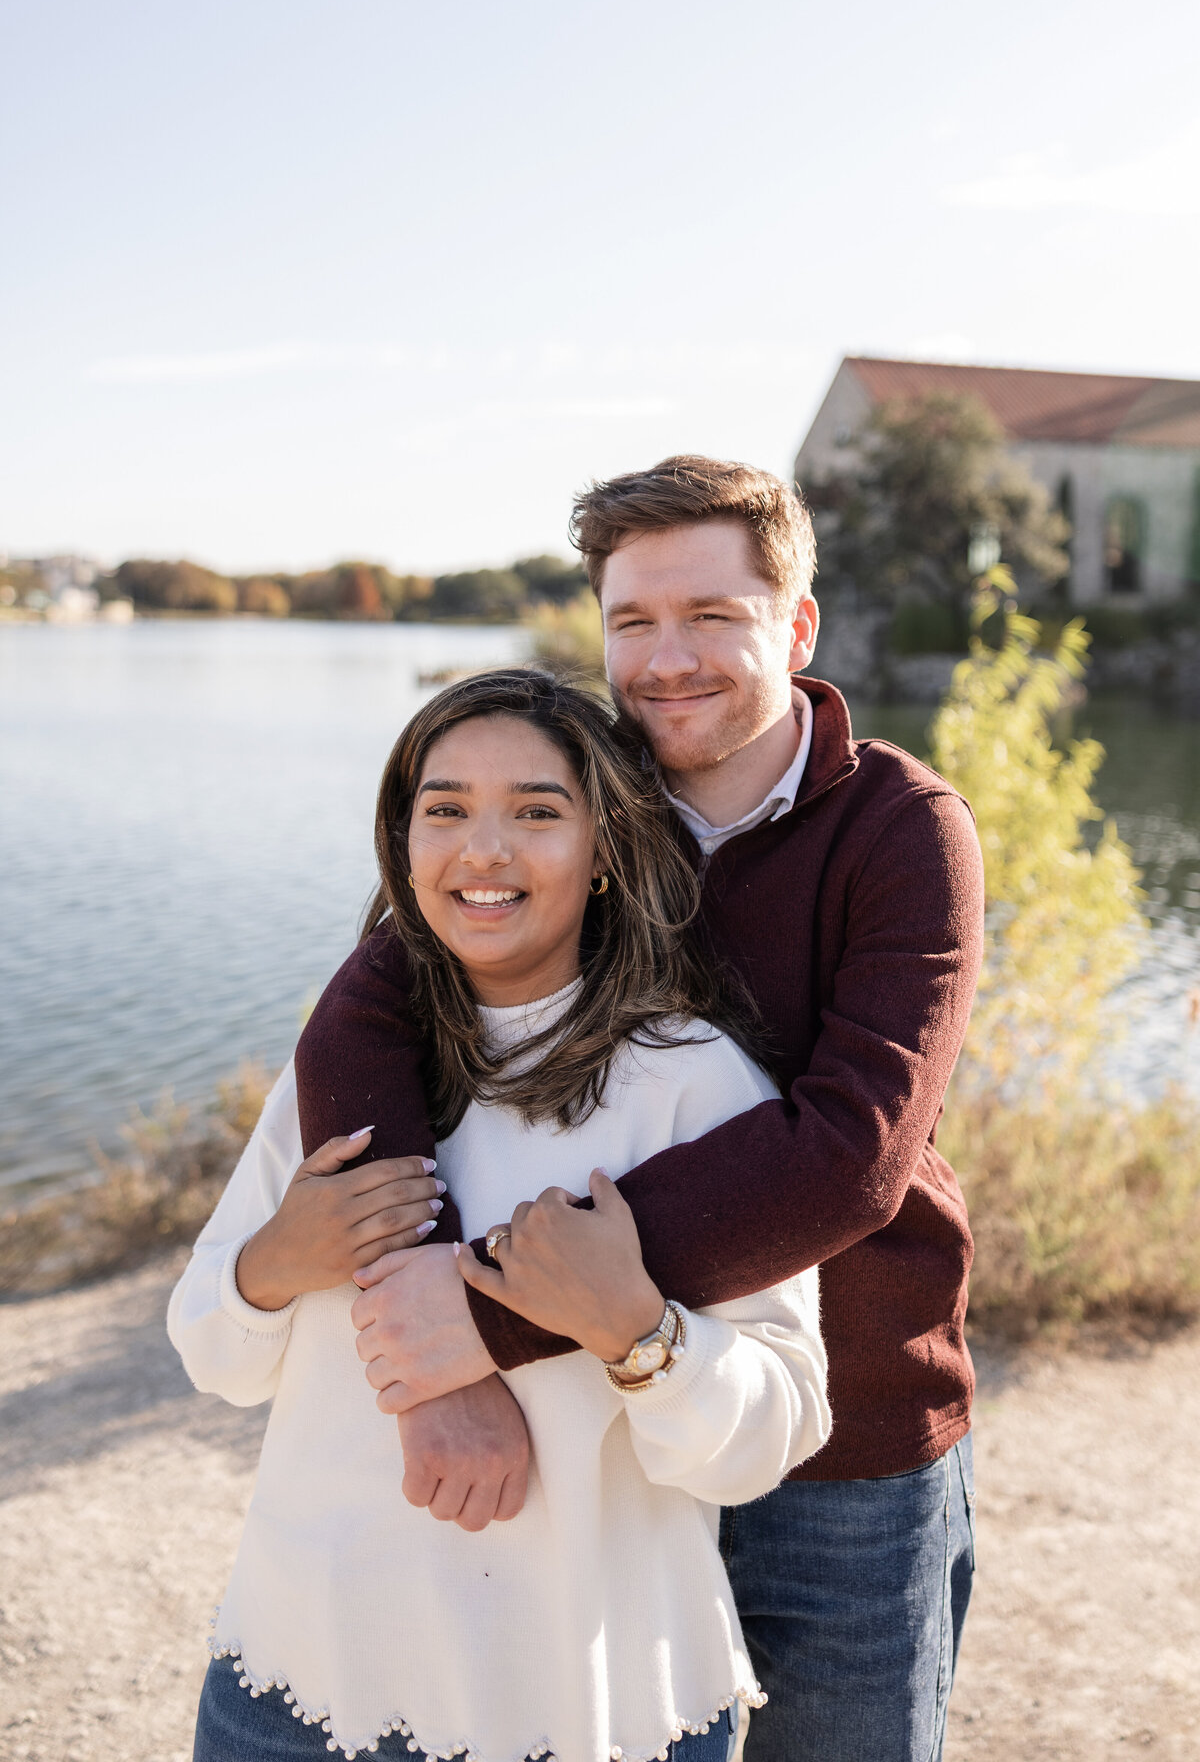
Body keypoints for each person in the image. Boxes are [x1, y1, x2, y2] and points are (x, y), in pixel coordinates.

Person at [296, 457, 986, 1762]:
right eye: (633, 621)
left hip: (843, 1437)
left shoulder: (902, 828)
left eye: (712, 616)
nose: (667, 661)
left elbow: (853, 1156)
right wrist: (417, 1288)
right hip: (595, 1439)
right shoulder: (580, 794)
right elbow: (369, 1005)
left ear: (797, 626)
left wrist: (484, 1311)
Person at [168, 669, 831, 1762]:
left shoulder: (693, 1084)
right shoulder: (344, 1070)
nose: (483, 851)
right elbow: (213, 1354)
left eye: (536, 812)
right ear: (404, 842)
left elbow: (774, 1433)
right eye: (446, 810)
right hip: (301, 1675)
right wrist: (274, 1263)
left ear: (605, 847)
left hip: (583, 1700)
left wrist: (639, 1337)